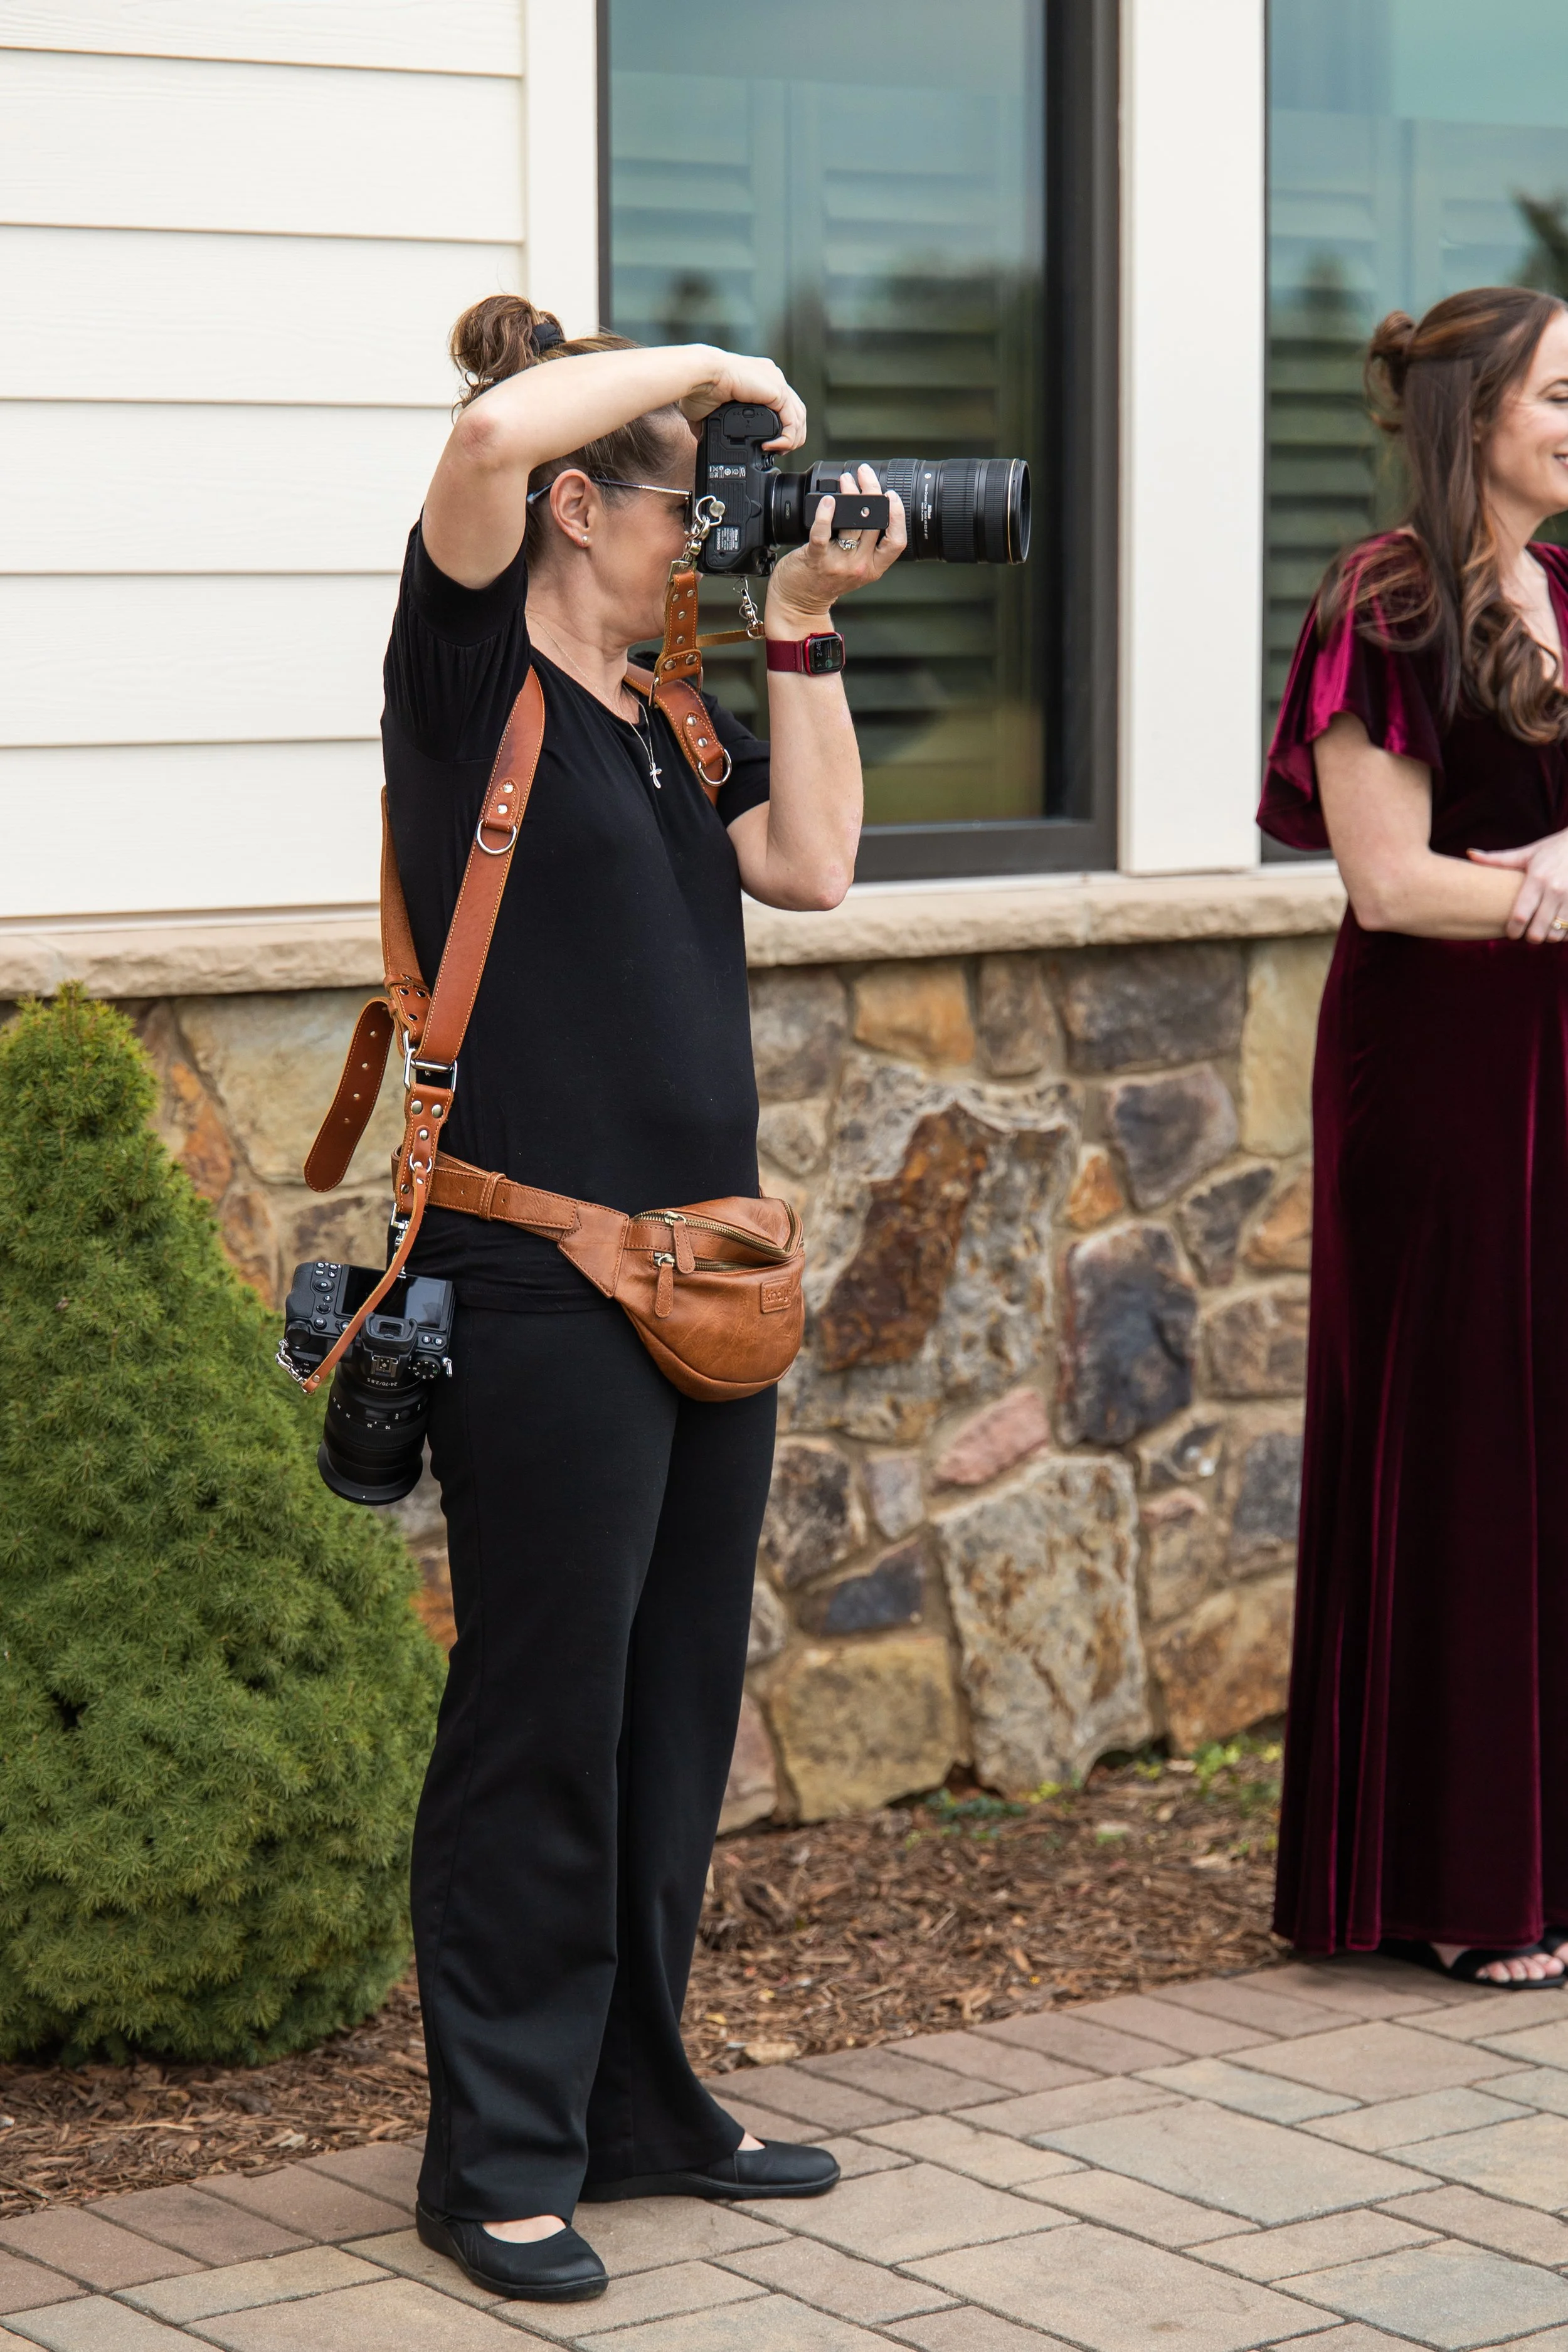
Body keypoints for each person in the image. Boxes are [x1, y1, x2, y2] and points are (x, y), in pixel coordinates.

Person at [386, 296, 906, 2302]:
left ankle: (636, 2104)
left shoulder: (660, 710)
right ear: (576, 500)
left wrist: (799, 624)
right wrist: (700, 365)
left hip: (710, 1283)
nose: (706, 526)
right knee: (539, 1722)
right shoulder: (463, 677)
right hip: (536, 1281)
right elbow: (481, 444)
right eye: (684, 503)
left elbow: (821, 862)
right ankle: (495, 2157)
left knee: (671, 1708)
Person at [1264, 285, 1568, 1989]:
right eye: (1559, 391)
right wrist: (1555, 882)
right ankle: (1456, 1876)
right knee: (1461, 1443)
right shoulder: (1382, 599)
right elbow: (1384, 879)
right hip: (1438, 1072)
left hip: (1558, 1046)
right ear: (1474, 414)